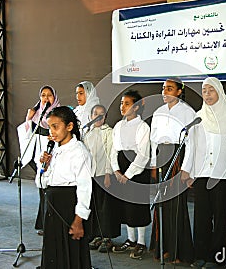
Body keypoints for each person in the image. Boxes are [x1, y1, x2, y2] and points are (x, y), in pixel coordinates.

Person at [38, 106, 93, 269]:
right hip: (53, 206)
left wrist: (78, 220)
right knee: (54, 250)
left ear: (69, 127)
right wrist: (45, 167)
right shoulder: (55, 149)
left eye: (56, 126)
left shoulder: (79, 152)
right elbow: (41, 182)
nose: (52, 132)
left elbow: (85, 188)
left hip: (68, 206)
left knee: (70, 253)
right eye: (49, 127)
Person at [149, 77, 195, 264]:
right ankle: (164, 247)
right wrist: (154, 163)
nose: (165, 92)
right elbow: (153, 140)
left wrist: (186, 168)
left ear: (178, 91)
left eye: (169, 88)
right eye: (163, 88)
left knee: (176, 204)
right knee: (162, 204)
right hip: (162, 156)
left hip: (178, 156)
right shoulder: (159, 112)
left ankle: (179, 251)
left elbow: (191, 142)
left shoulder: (187, 112)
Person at [189, 77, 226, 268]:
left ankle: (218, 257)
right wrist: (190, 172)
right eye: (204, 91)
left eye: (211, 90)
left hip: (222, 174)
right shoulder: (199, 117)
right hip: (202, 173)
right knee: (201, 216)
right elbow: (193, 147)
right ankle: (201, 253)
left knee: (220, 217)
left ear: (219, 91)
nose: (207, 94)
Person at [110, 90, 151, 259]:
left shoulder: (143, 127)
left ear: (136, 107)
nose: (123, 107)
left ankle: (141, 242)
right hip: (121, 168)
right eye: (121, 103)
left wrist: (128, 174)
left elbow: (143, 154)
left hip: (136, 171)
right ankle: (131, 239)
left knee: (137, 206)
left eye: (127, 103)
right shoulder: (118, 126)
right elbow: (113, 150)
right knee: (125, 205)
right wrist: (116, 171)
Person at [17, 85, 60, 236]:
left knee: (52, 189)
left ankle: (54, 222)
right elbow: (26, 134)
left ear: (54, 97)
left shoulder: (59, 113)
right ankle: (44, 222)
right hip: (38, 155)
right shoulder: (37, 114)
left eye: (49, 95)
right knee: (42, 188)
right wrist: (29, 119)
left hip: (53, 154)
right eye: (43, 95)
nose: (46, 98)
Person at [82, 104, 121, 253]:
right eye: (95, 114)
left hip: (104, 174)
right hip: (91, 174)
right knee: (95, 206)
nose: (98, 116)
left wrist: (107, 173)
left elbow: (110, 153)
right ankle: (96, 234)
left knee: (106, 207)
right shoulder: (87, 133)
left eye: (101, 114)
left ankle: (107, 236)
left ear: (105, 117)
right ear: (91, 116)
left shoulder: (109, 132)